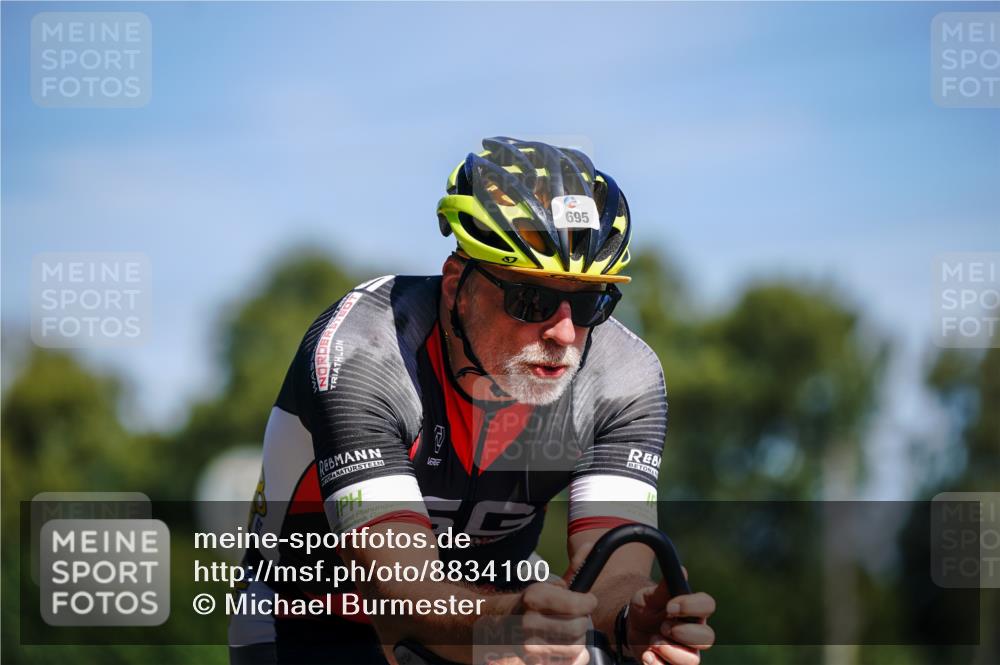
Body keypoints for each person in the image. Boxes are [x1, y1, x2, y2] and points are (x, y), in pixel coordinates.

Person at [228, 137, 716, 665]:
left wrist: (629, 617)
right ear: (457, 282)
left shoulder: (623, 376)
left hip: (499, 607)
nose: (564, 332)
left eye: (589, 301)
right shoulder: (365, 351)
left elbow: (615, 568)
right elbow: (397, 600)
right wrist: (506, 626)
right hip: (316, 614)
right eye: (532, 298)